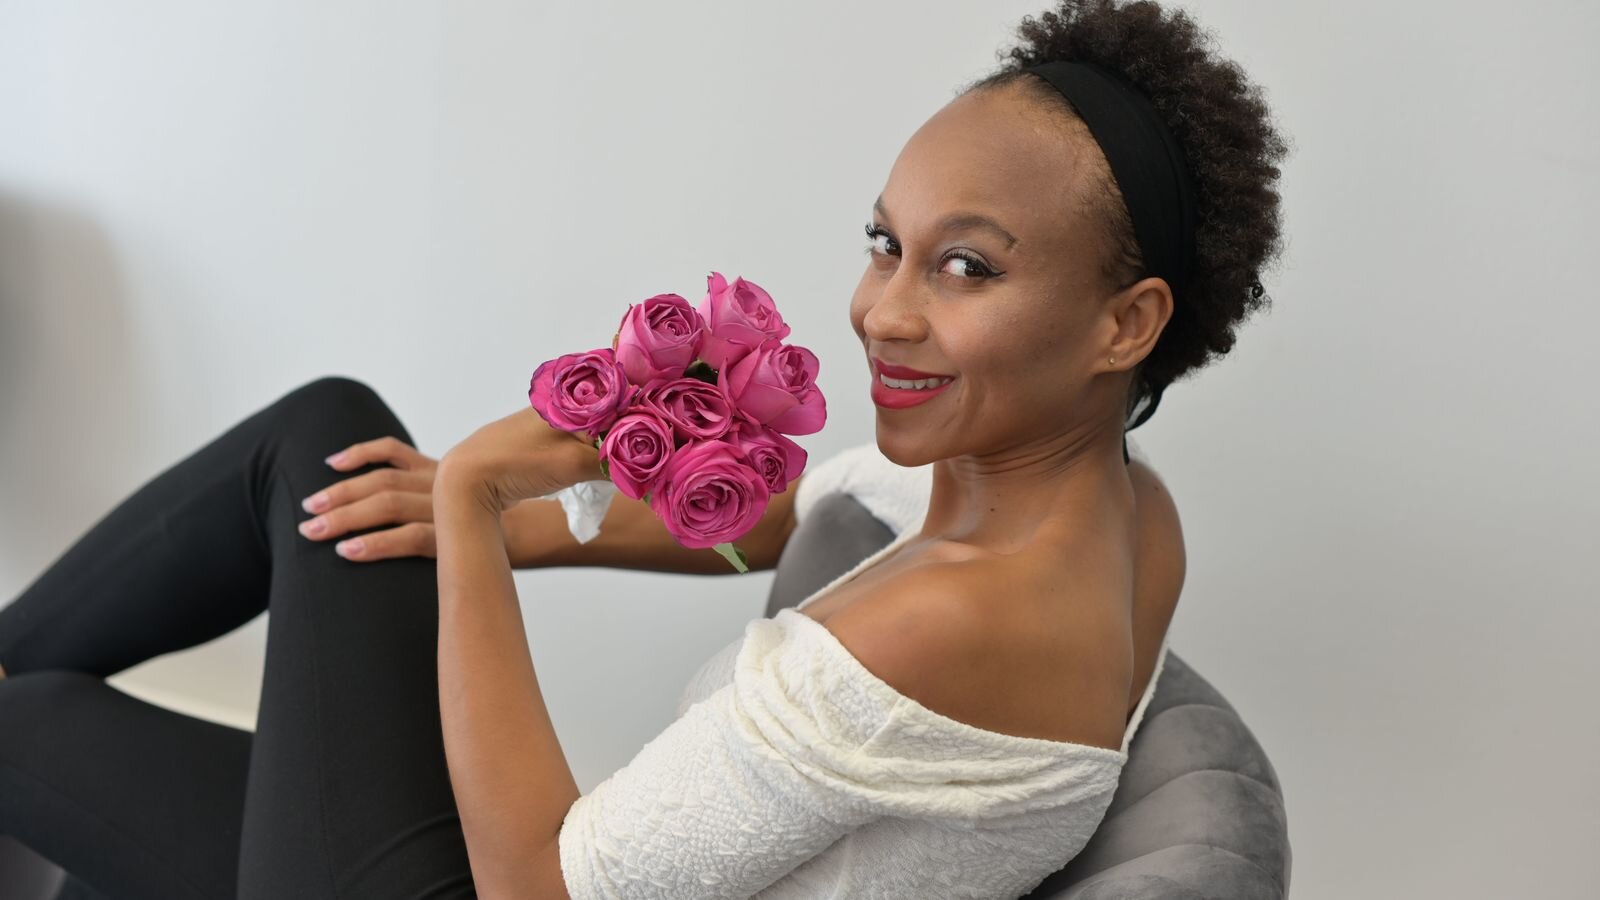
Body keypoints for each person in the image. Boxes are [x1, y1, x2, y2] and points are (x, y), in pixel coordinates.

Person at [0, 0, 1288, 896]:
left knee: (31, 721)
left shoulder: (941, 626)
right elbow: (809, 510)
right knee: (326, 434)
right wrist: (533, 529)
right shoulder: (1120, 509)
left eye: (967, 268)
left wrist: (473, 500)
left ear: (1127, 321)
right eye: (886, 243)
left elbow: (536, 883)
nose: (882, 312)